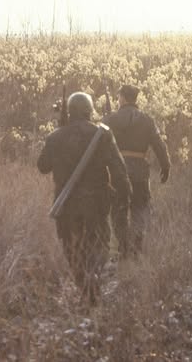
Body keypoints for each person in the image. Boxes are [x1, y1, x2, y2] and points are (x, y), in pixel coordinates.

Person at [37, 92, 130, 306]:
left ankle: (85, 287)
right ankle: (93, 280)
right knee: (99, 244)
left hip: (66, 204)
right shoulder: (102, 134)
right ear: (89, 110)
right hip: (96, 203)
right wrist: (124, 195)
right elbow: (118, 168)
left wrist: (58, 135)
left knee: (71, 247)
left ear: (69, 111)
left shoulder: (55, 136)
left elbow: (42, 166)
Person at [102, 84, 170, 258]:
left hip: (117, 171)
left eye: (119, 97)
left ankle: (124, 244)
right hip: (140, 170)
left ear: (123, 98)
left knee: (118, 209)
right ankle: (136, 243)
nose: (118, 101)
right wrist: (165, 166)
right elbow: (159, 145)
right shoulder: (147, 120)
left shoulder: (110, 119)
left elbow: (99, 147)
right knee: (140, 207)